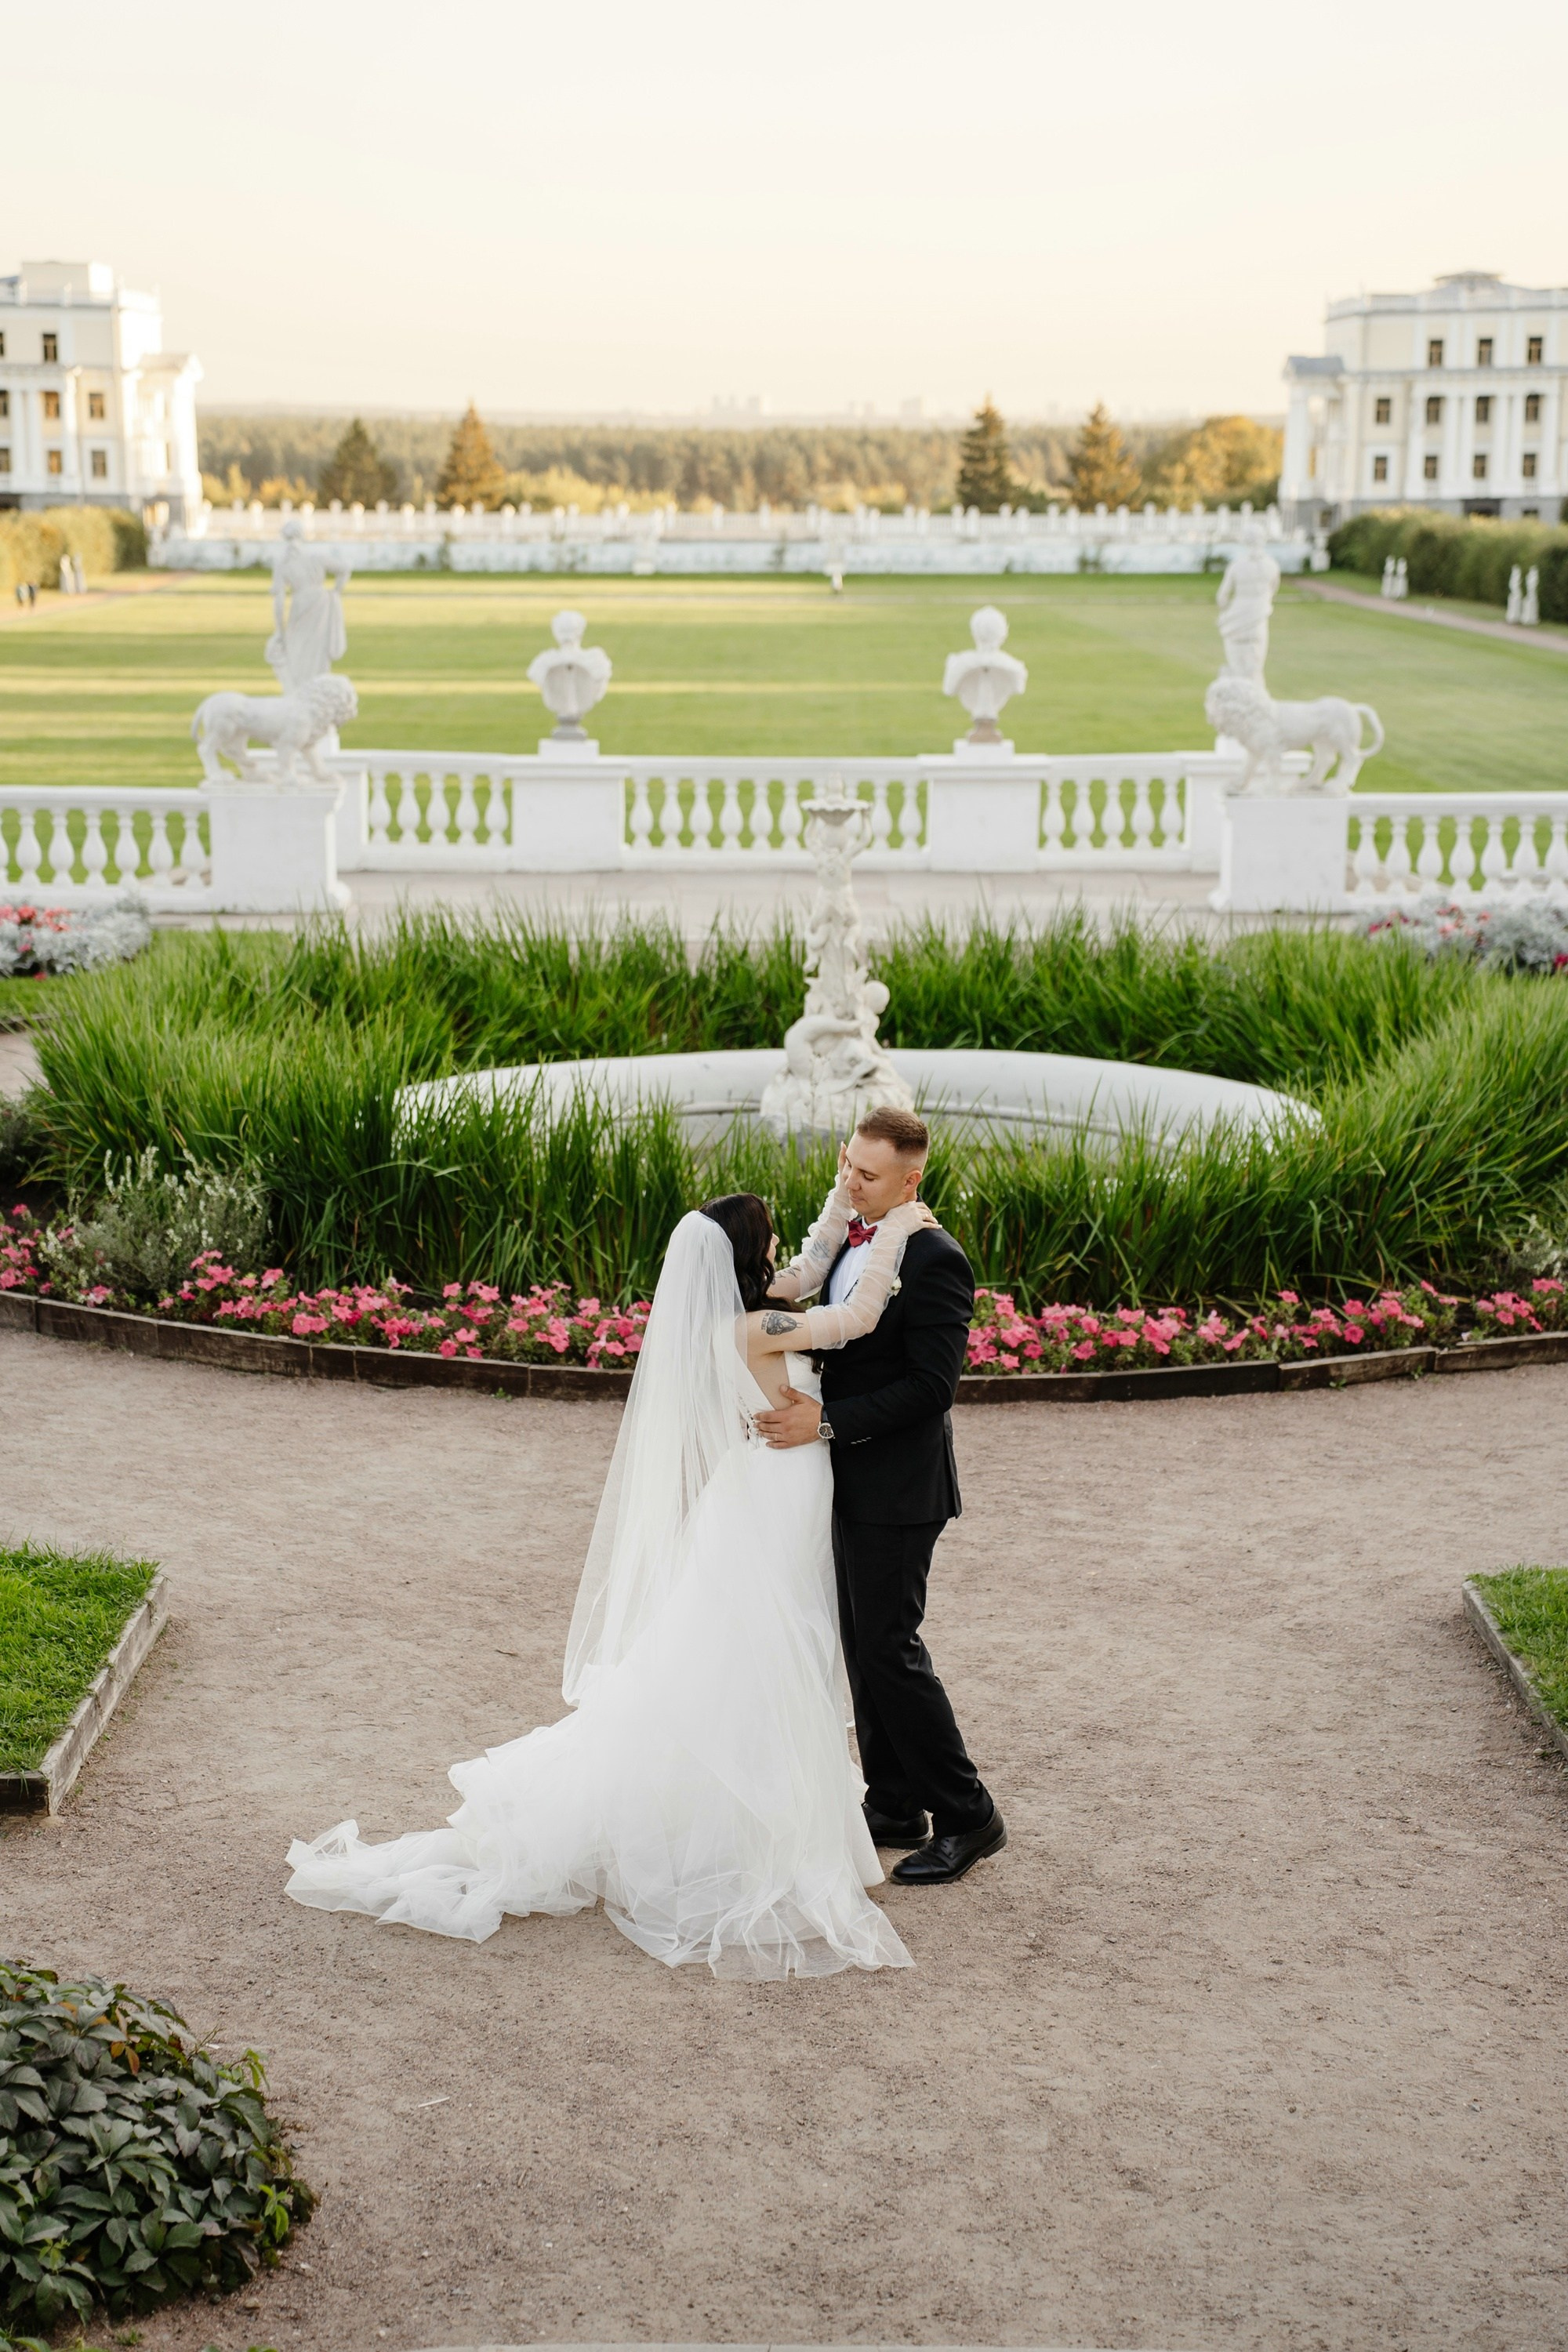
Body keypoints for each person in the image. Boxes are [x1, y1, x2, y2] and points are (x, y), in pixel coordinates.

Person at [285, 1171, 937, 1978]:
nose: (776, 1250)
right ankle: (749, 1825)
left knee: (746, 1640)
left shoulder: (735, 1322)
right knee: (768, 1645)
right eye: (764, 1239)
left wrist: (843, 1200)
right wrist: (900, 1226)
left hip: (762, 1482)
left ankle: (749, 1804)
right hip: (780, 1487)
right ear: (742, 1255)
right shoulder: (760, 1325)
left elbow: (807, 1268)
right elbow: (856, 1318)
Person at [754, 1106, 1004, 1887]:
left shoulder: (934, 1259)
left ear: (910, 1179)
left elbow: (931, 1389)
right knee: (860, 1647)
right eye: (847, 1166)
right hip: (846, 1478)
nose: (850, 1182)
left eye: (868, 1174)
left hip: (899, 1487)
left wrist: (825, 1422)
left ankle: (968, 1815)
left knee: (890, 1651)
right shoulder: (847, 1238)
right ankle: (893, 1803)